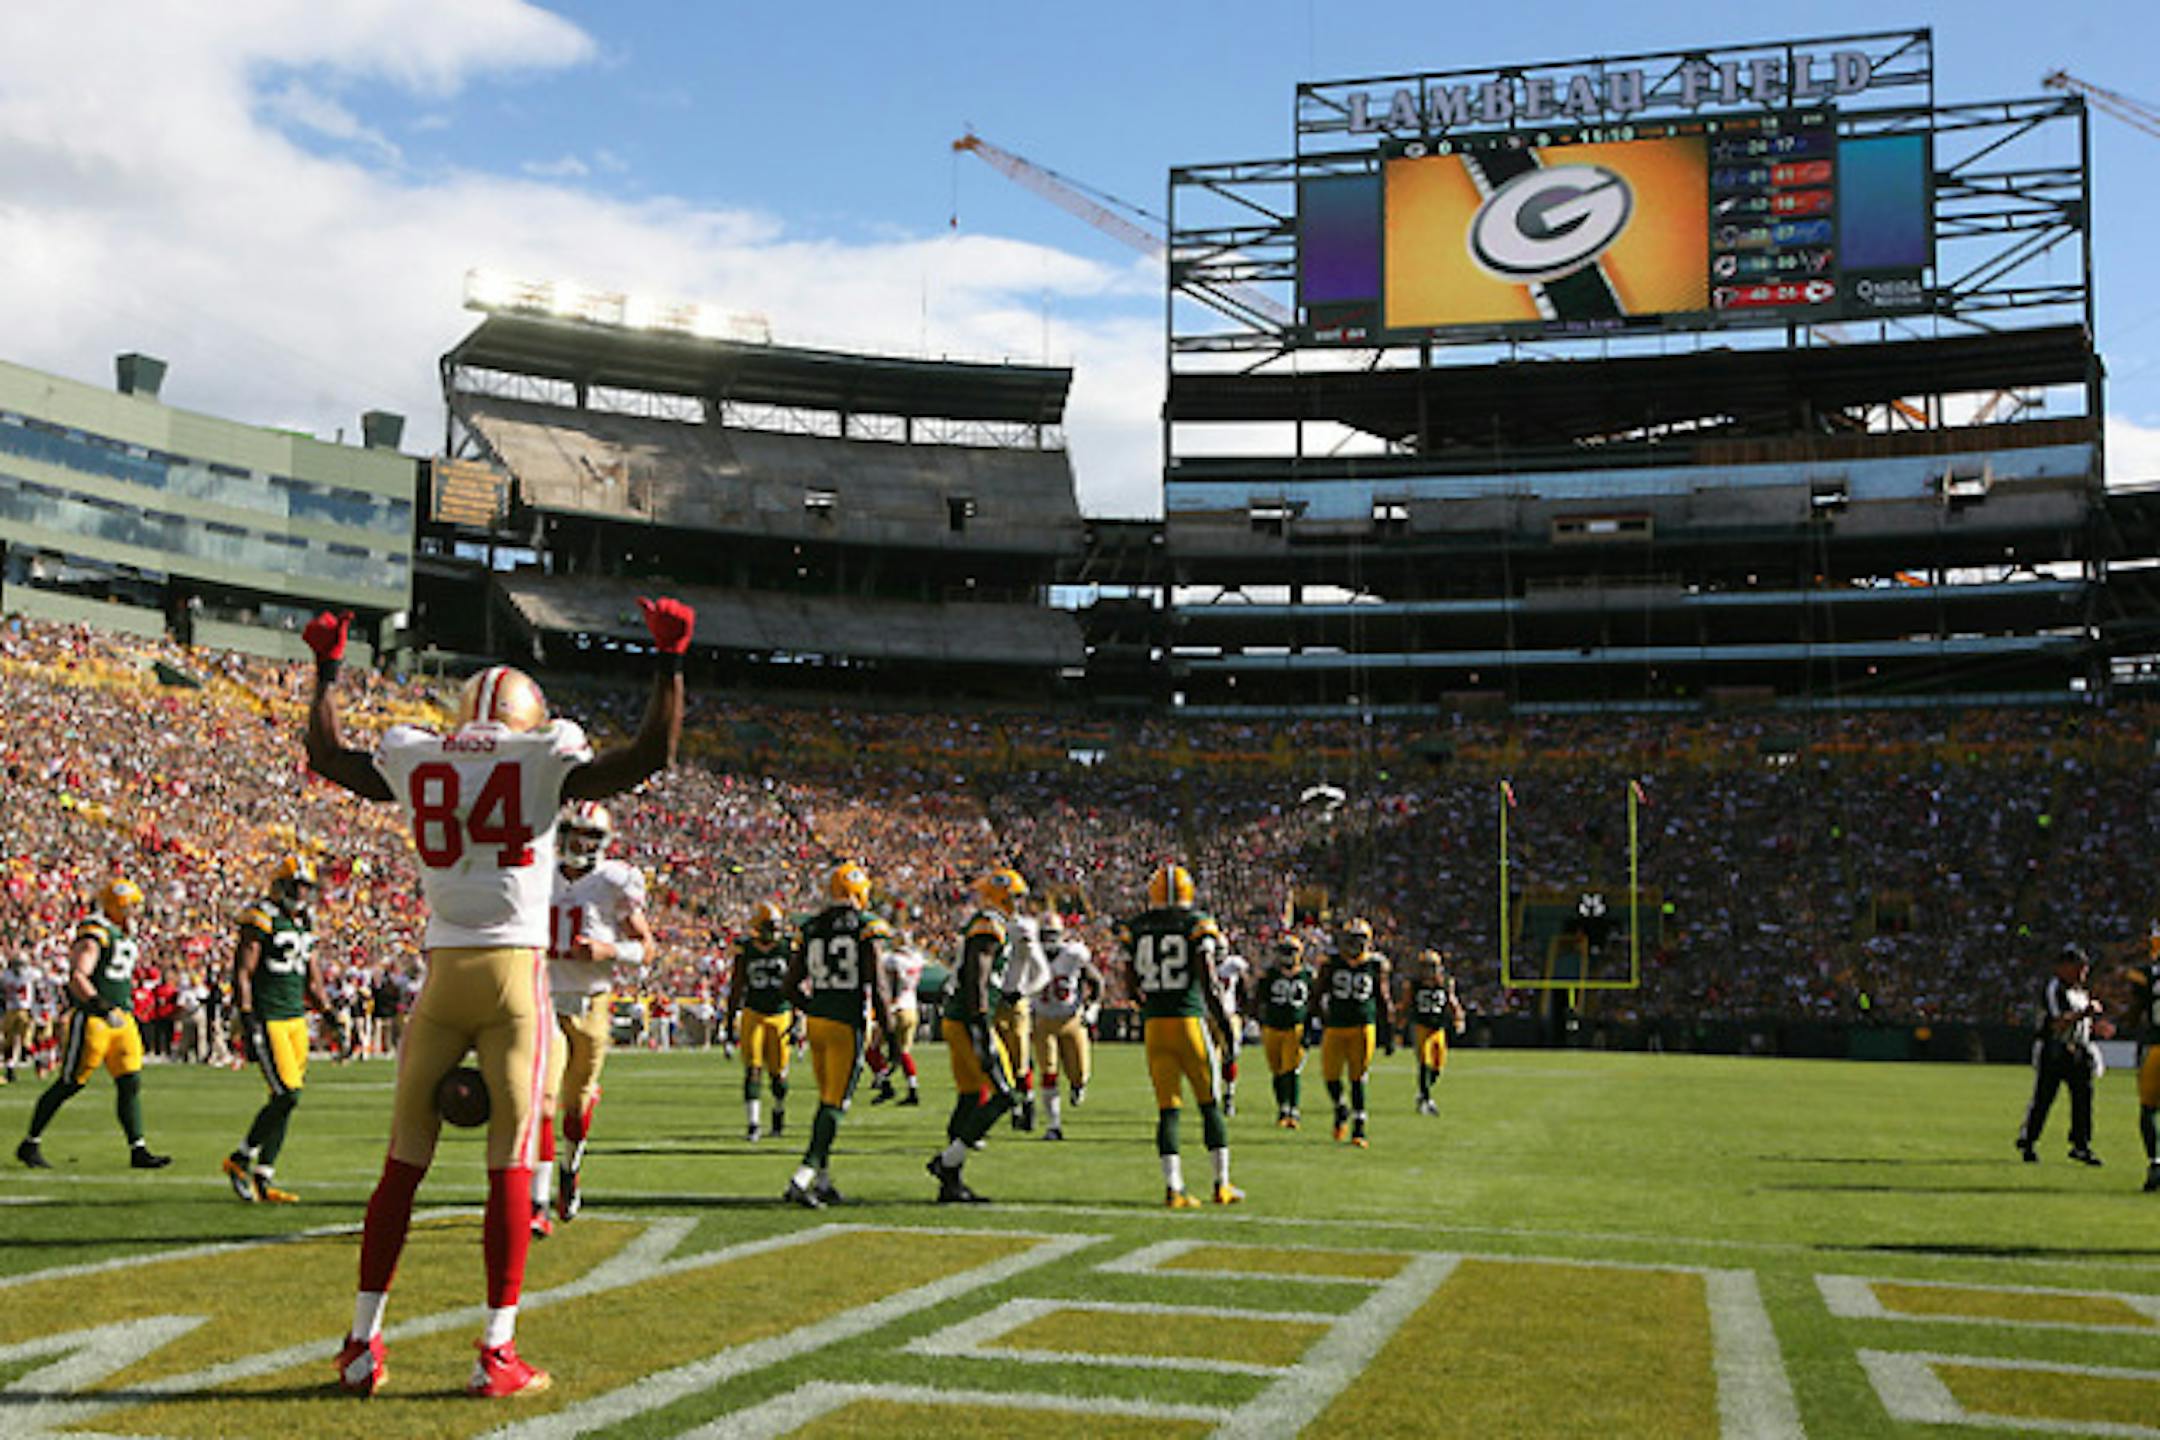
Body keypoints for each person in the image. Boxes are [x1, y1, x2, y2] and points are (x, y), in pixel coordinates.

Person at [303, 598, 691, 1400]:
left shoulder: (418, 756)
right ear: (529, 716)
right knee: (511, 1167)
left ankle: (358, 1344)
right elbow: (650, 755)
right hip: (515, 977)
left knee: (400, 1170)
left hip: (441, 975)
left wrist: (328, 673)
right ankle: (495, 1350)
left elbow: (328, 756)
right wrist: (670, 662)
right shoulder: (545, 755)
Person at [534, 801, 652, 1235]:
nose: (579, 844)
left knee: (576, 1103)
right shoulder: (539, 871)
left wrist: (609, 951)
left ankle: (570, 1167)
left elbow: (646, 948)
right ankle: (537, 1201)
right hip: (543, 998)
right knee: (544, 1102)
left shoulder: (613, 881)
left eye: (589, 837)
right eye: (573, 834)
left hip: (591, 1002)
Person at [15, 879, 171, 1171]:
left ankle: (138, 1149)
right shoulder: (95, 932)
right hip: (95, 1019)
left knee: (130, 1082)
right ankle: (30, 1142)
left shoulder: (122, 934)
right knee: (70, 1083)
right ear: (117, 905)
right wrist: (101, 1005)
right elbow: (78, 976)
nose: (136, 911)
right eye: (131, 906)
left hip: (122, 1018)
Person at [1118, 862, 1241, 1208]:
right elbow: (1207, 978)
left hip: (1155, 1026)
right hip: (1188, 1021)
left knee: (1168, 1109)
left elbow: (1130, 983)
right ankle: (1222, 1184)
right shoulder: (1195, 923)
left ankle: (1174, 1188)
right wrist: (1226, 1029)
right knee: (1209, 1104)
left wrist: (1148, 1004)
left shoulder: (1137, 928)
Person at [782, 860, 896, 1208]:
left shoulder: (812, 926)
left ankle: (823, 1179)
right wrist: (891, 1036)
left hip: (817, 1023)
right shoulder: (866, 926)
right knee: (836, 1103)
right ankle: (803, 1176)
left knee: (825, 1101)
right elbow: (877, 985)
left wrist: (812, 1006)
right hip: (846, 1023)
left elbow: (789, 984)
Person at [223, 855, 332, 1204]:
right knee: (287, 1094)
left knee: (285, 1099)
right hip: (269, 1016)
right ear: (281, 885)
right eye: (296, 885)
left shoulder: (304, 922)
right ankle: (240, 1159)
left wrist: (329, 1013)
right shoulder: (262, 917)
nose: (301, 893)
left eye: (305, 887)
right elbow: (243, 969)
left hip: (296, 1018)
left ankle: (263, 1177)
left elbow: (313, 978)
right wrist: (246, 1011)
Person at [925, 868, 1029, 1204]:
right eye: (1014, 896)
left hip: (960, 1019)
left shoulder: (991, 922)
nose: (1018, 903)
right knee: (1006, 1093)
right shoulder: (989, 923)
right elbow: (977, 976)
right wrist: (981, 1021)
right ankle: (947, 1163)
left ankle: (951, 1184)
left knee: (970, 1097)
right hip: (969, 1020)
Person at [2015, 943, 2105, 1167]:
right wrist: (2086, 1013)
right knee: (2045, 1097)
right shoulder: (2055, 988)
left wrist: (2092, 1027)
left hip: (2078, 1049)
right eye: (2078, 968)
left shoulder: (2079, 991)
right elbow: (2058, 1022)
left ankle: (2081, 1145)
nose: (2083, 973)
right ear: (2063, 968)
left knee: (2083, 1098)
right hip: (2055, 1049)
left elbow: (2078, 1022)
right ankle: (2029, 1141)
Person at [1317, 916, 1393, 1148]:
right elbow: (1317, 994)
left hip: (1362, 1026)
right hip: (1336, 1026)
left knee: (1357, 1077)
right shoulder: (1331, 963)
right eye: (1351, 939)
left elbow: (1382, 998)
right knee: (1330, 1076)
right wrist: (1319, 1018)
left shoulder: (1374, 964)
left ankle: (1359, 1129)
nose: (1354, 945)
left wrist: (1387, 1033)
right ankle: (1341, 1108)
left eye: (1359, 940)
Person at [1031, 913, 1104, 1141]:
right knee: (1048, 1072)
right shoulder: (1030, 955)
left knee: (1079, 1072)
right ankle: (1054, 1126)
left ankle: (1077, 1085)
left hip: (1071, 1019)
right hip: (1042, 1020)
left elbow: (1097, 981)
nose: (1048, 940)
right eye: (1045, 935)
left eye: (1052, 934)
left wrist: (1093, 1007)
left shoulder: (1073, 955)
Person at [728, 900, 795, 1143]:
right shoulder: (746, 950)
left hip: (780, 1014)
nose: (775, 930)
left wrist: (799, 1018)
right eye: (770, 925)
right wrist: (728, 1024)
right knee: (753, 1070)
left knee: (778, 1075)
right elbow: (737, 987)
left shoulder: (788, 948)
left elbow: (798, 984)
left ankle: (778, 1111)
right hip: (753, 1013)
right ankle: (753, 1123)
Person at [997, 908, 1050, 1132]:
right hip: (992, 1001)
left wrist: (1023, 991)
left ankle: (1026, 1103)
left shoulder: (1020, 928)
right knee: (997, 1058)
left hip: (1014, 1002)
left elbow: (1042, 972)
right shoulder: (988, 924)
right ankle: (1015, 1106)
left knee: (1019, 1058)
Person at [1257, 937, 1314, 1129]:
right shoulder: (1270, 975)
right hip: (1272, 1027)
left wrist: (1310, 1027)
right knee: (1277, 1071)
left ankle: (1294, 1109)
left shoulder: (1307, 975)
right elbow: (1259, 999)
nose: (1288, 956)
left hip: (1295, 1027)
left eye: (1291, 951)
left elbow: (1313, 1004)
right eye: (1285, 951)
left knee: (1292, 1070)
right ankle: (1282, 1107)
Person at [870, 927, 925, 1106]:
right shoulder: (916, 959)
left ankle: (885, 1084)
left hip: (895, 1009)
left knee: (872, 1049)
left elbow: (891, 980)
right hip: (912, 1008)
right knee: (904, 1053)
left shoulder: (892, 960)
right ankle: (912, 1089)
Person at [1407, 948, 1465, 1117]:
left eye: (1430, 967)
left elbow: (1453, 1002)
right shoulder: (1414, 984)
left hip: (1438, 1028)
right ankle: (1426, 1100)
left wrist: (1458, 1018)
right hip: (1420, 1026)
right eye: (1424, 967)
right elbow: (1406, 1002)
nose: (1427, 971)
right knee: (1424, 1062)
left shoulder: (1445, 983)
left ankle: (1422, 1093)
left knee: (1438, 1067)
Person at [1212, 944, 1251, 1117]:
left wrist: (1244, 1009)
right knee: (1208, 1059)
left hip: (1228, 1016)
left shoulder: (1233, 964)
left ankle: (1229, 1095)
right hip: (1207, 1017)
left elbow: (1244, 986)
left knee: (1230, 1056)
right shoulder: (1200, 962)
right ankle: (1213, 1095)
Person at [2133, 962, 2160, 1193]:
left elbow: (2135, 1012)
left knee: (2148, 1110)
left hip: (2156, 1047)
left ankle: (2155, 1161)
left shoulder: (2146, 974)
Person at [2, 954, 36, 1083]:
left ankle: (10, 1068)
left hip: (11, 1011)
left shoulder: (7, 975)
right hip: (24, 1010)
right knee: (25, 1040)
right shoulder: (30, 973)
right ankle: (35, 1059)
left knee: (10, 1041)